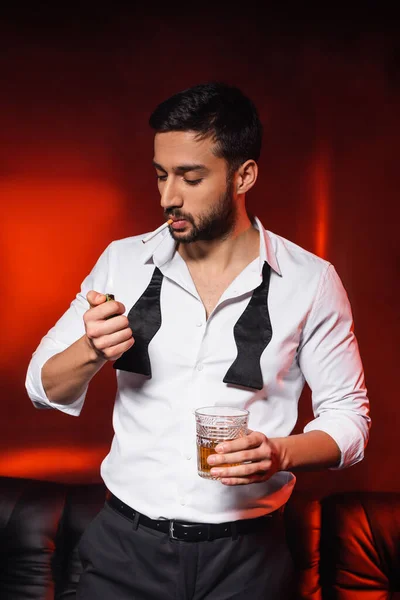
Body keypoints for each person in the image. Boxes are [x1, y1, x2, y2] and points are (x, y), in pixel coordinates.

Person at [26, 82, 370, 599]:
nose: (168, 197)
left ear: (243, 174)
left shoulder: (312, 281)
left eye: (191, 177)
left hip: (249, 559)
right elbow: (40, 386)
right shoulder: (123, 261)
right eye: (161, 175)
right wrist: (91, 349)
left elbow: (351, 419)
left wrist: (280, 453)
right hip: (125, 549)